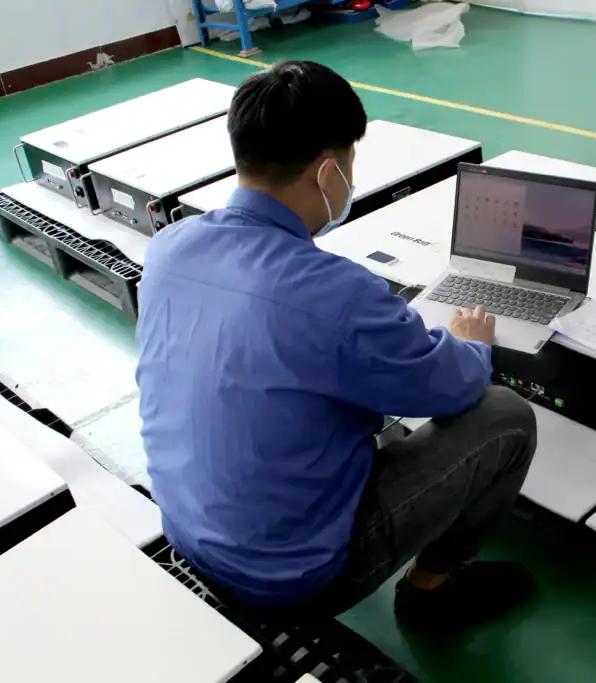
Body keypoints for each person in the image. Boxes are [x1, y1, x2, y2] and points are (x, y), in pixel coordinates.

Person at [135, 60, 538, 632]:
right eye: (351, 160)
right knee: (505, 416)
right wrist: (468, 344)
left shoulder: (170, 247)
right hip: (289, 579)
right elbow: (451, 387)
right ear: (328, 173)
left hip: (190, 533)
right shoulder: (331, 292)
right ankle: (432, 594)